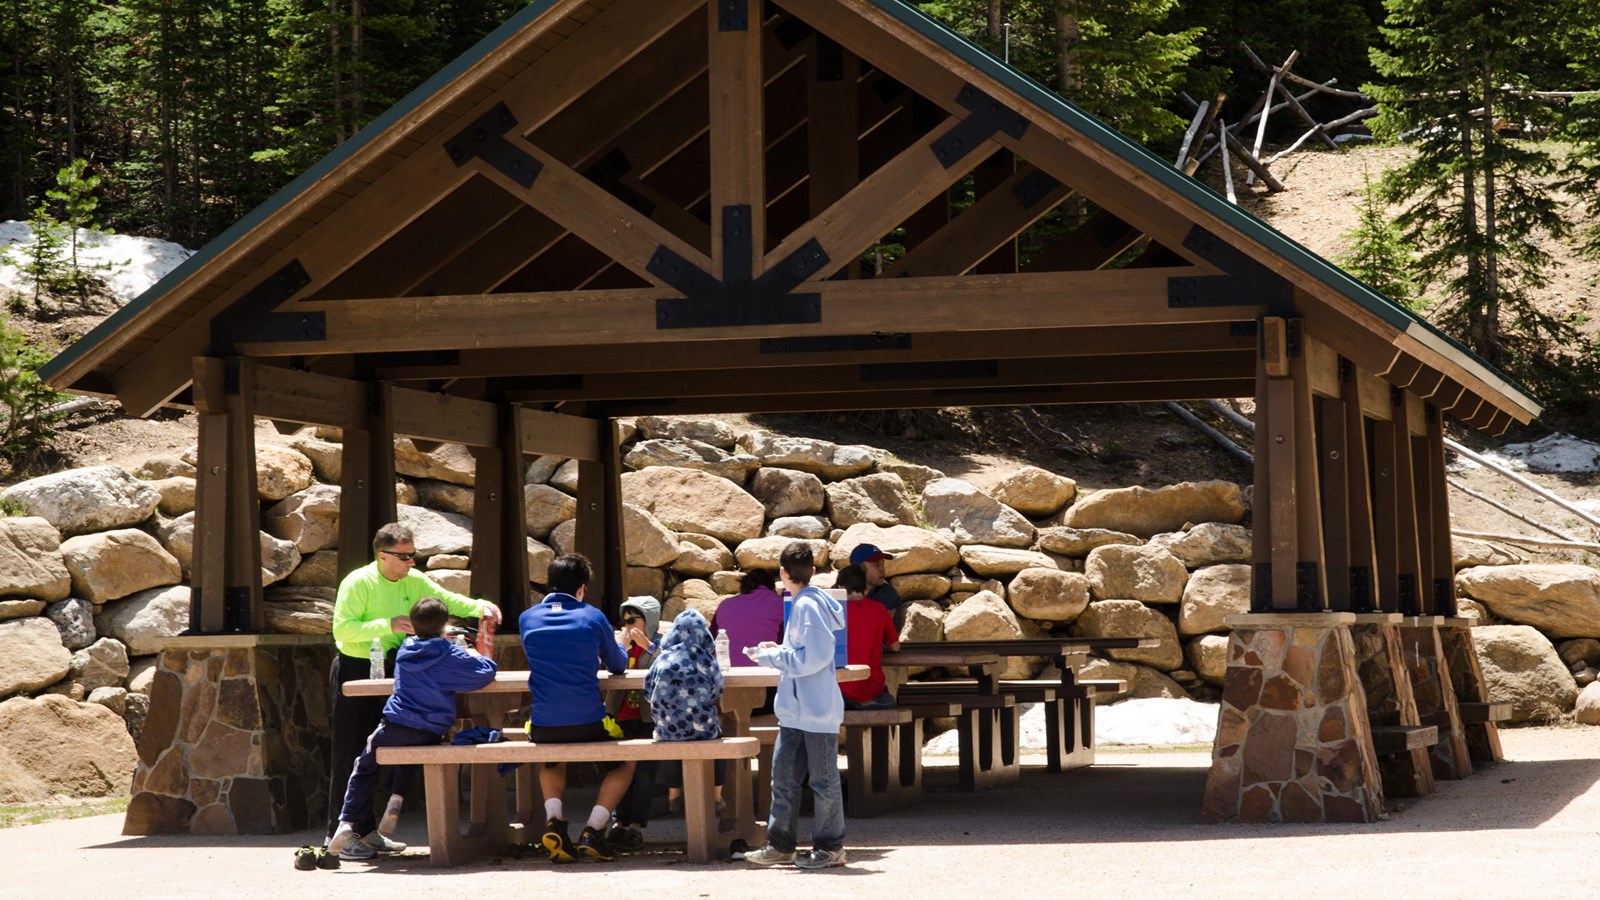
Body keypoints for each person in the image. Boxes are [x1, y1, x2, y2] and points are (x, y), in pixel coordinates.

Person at [326, 523, 502, 852]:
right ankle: (340, 834)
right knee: (351, 753)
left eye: (414, 554)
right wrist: (388, 624)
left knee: (386, 750)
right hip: (356, 667)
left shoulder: (414, 579)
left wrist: (481, 607)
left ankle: (367, 832)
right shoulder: (358, 582)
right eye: (405, 556)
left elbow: (446, 601)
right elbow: (342, 630)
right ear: (382, 556)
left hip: (393, 669)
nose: (411, 561)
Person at [518, 553, 635, 863]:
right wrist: (620, 643)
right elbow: (618, 666)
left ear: (548, 584)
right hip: (589, 720)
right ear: (582, 588)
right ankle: (594, 830)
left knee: (552, 759)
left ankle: (555, 821)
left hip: (543, 724)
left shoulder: (527, 618)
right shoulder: (592, 616)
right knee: (627, 759)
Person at [744, 541, 848, 870]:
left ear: (783, 573)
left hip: (813, 712)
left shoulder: (805, 607)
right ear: (813, 572)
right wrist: (779, 649)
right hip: (800, 710)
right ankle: (781, 844)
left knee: (820, 780)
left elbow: (814, 657)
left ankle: (830, 846)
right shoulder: (806, 603)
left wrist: (770, 656)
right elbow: (806, 652)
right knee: (786, 777)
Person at [604, 596, 661, 853]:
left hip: (647, 716)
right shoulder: (620, 644)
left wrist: (646, 645)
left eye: (633, 619)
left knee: (644, 772)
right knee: (618, 766)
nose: (627, 625)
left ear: (648, 620)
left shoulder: (658, 642)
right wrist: (620, 648)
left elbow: (666, 663)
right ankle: (618, 821)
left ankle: (636, 824)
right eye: (624, 620)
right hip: (621, 714)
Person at [835, 564, 900, 710]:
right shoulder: (879, 609)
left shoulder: (831, 612)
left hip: (836, 688)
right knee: (888, 699)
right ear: (866, 590)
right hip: (870, 687)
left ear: (839, 588)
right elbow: (895, 646)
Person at [710, 569, 784, 668]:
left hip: (725, 672)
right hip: (765, 672)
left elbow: (710, 641)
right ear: (771, 587)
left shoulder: (725, 604)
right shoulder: (780, 603)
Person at [849, 543, 901, 617]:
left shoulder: (887, 594)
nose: (882, 569)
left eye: (882, 564)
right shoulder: (841, 590)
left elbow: (881, 626)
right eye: (876, 565)